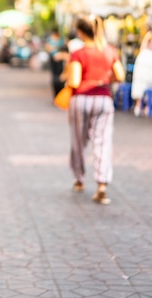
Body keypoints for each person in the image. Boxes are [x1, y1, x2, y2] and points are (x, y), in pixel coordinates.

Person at [65, 15, 125, 205]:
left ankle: (79, 178)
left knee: (79, 141)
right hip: (104, 99)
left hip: (81, 99)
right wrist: (104, 80)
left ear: (81, 32)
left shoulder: (78, 53)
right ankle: (102, 185)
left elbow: (74, 81)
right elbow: (120, 76)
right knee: (102, 142)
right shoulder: (109, 51)